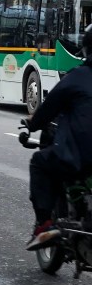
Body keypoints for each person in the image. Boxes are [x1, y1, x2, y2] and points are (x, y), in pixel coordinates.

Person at [24, 25, 92, 250]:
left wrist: (32, 125)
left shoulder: (78, 76)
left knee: (39, 162)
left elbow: (48, 108)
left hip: (81, 157)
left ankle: (44, 224)